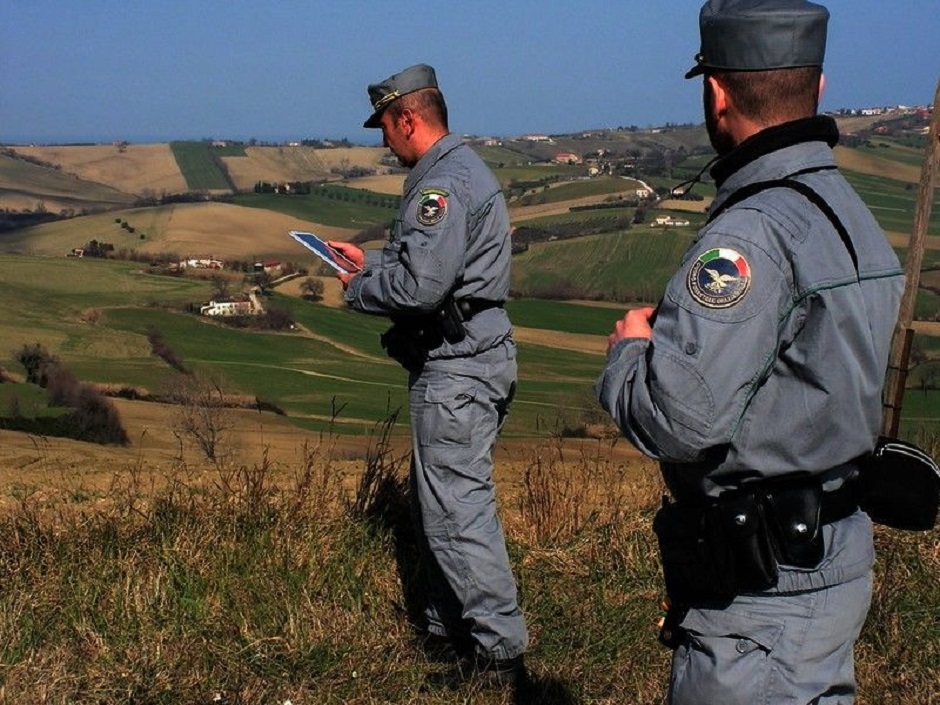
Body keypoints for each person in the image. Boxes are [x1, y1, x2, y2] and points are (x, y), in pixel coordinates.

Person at [595, 2, 904, 703]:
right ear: (817, 88)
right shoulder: (852, 215)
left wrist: (627, 356)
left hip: (763, 591)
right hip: (835, 560)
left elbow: (682, 417)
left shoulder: (749, 237)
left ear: (716, 93)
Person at [327, 63, 528, 689]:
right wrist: (378, 258)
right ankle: (452, 636)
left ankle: (498, 656)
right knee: (442, 503)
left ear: (407, 118)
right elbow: (436, 266)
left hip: (457, 369)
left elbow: (421, 287)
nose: (383, 142)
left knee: (456, 512)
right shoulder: (464, 172)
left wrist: (361, 286)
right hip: (473, 356)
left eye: (384, 127)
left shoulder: (439, 187)